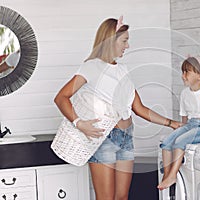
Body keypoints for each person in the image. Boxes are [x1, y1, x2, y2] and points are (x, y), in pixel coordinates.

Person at [54, 16, 181, 200]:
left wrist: (172, 123)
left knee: (122, 197)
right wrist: (79, 123)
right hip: (105, 139)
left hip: (126, 138)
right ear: (110, 41)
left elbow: (140, 108)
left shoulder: (123, 70)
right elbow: (61, 97)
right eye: (124, 40)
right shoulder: (91, 67)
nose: (127, 46)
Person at [157, 56, 200, 190]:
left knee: (180, 142)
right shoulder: (185, 93)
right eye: (183, 71)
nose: (183, 75)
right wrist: (180, 130)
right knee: (167, 142)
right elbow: (184, 116)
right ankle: (167, 174)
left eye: (187, 72)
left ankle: (173, 175)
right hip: (190, 125)